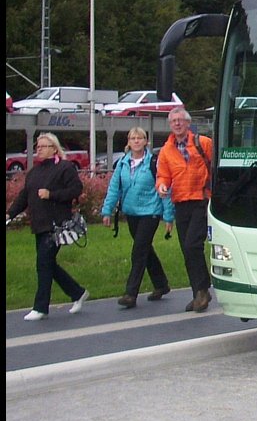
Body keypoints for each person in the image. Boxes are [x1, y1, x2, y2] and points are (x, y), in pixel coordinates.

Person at [5, 132, 90, 321]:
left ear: (54, 148)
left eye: (43, 146)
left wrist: (52, 194)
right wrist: (10, 213)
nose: (39, 149)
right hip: (39, 224)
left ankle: (40, 307)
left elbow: (76, 190)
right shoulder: (34, 172)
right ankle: (77, 292)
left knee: (43, 264)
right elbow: (25, 196)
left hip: (57, 225)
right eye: (38, 146)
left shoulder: (65, 168)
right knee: (48, 264)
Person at [100, 127, 175, 308]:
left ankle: (130, 293)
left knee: (139, 251)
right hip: (132, 213)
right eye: (133, 138)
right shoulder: (122, 163)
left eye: (139, 138)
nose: (136, 141)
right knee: (145, 250)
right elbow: (114, 188)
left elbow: (164, 188)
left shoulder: (154, 163)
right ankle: (161, 284)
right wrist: (107, 210)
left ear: (145, 142)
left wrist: (168, 216)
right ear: (128, 141)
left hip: (151, 212)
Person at [157, 106, 214, 313]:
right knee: (186, 249)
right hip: (180, 202)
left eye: (180, 120)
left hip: (201, 199)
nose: (177, 124)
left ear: (188, 123)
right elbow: (163, 175)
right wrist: (162, 185)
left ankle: (202, 290)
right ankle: (198, 292)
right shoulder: (166, 150)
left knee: (192, 245)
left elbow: (216, 167)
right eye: (174, 121)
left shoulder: (203, 143)